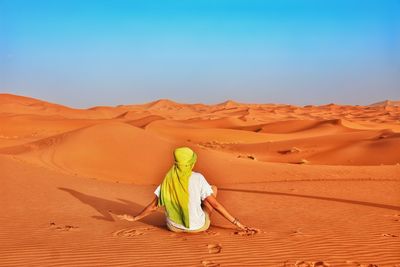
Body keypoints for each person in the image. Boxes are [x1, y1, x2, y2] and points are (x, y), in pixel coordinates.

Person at [118, 147, 257, 233]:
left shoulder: (168, 179)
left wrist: (134, 218)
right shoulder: (198, 178)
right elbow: (215, 205)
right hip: (199, 227)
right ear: (191, 163)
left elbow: (153, 207)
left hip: (173, 227)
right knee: (212, 189)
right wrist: (238, 224)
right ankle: (200, 216)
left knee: (175, 201)